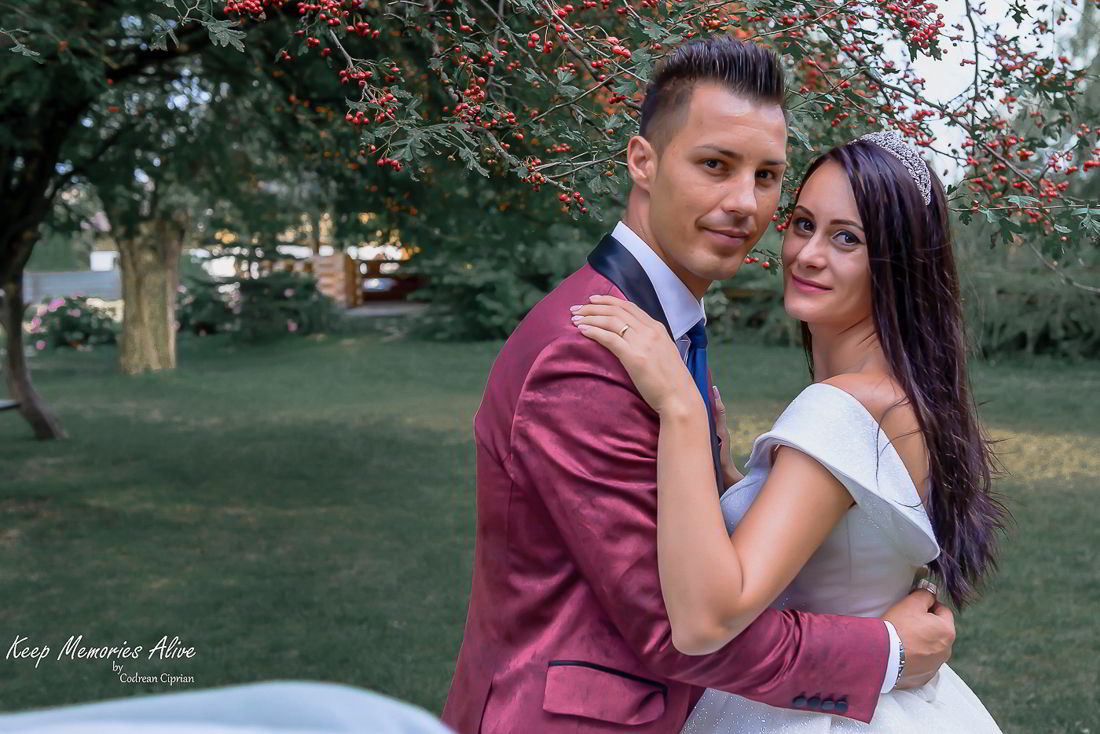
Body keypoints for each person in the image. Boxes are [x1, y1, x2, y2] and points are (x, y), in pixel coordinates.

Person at [442, 37, 955, 734]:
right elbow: (675, 626)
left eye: (767, 176)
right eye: (715, 165)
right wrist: (885, 652)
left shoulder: (664, 331)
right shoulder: (588, 349)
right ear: (643, 161)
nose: (745, 203)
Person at [571, 131, 1007, 732]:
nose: (807, 254)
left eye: (846, 238)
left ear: (900, 264)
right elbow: (843, 541)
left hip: (816, 709)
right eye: (803, 224)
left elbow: (705, 622)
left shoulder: (844, 408)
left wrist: (680, 409)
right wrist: (737, 483)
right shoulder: (905, 393)